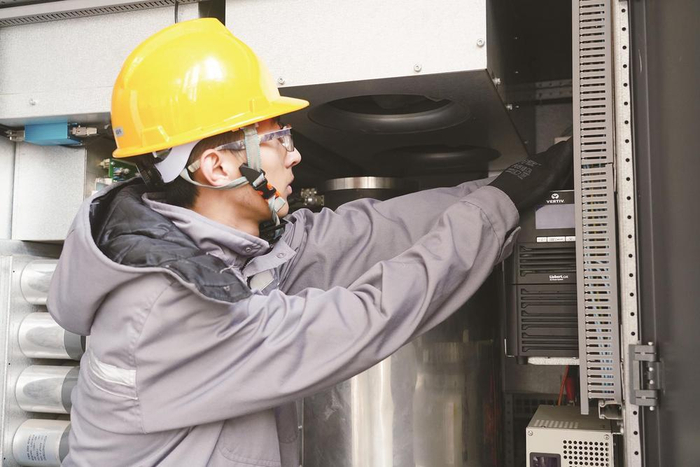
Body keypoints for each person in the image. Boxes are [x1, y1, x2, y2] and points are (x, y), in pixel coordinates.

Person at [47, 18, 572, 467]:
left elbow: (364, 232)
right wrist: (493, 211)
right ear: (218, 166)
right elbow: (368, 317)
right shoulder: (170, 307)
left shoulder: (221, 253)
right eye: (278, 138)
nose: (294, 155)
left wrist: (503, 189)